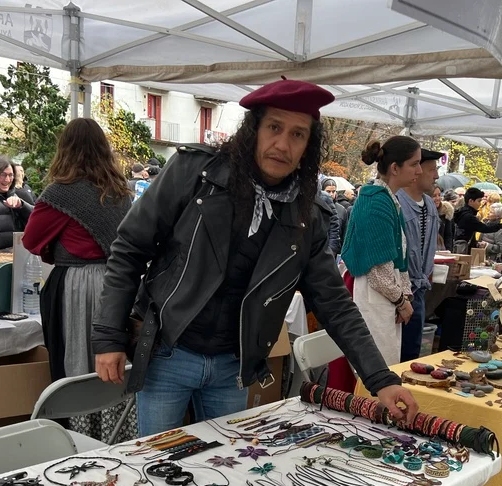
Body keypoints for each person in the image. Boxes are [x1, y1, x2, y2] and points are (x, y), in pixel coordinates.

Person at [91, 79, 417, 436]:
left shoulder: (307, 215)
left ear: (308, 146)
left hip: (233, 366)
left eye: (298, 134)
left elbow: (335, 304)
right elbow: (130, 248)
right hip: (168, 352)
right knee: (157, 460)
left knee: (222, 463)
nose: (283, 145)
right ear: (254, 130)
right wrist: (109, 336)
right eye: (274, 127)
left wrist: (381, 379)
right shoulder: (193, 173)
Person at [22, 118, 135, 442]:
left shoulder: (60, 193)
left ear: (65, 149)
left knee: (78, 360)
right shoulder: (120, 193)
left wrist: (55, 245)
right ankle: (116, 434)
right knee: (113, 362)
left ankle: (82, 437)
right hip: (117, 283)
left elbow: (31, 240)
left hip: (77, 286)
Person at [341, 136, 420, 366]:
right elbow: (377, 271)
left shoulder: (388, 198)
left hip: (383, 293)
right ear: (395, 168)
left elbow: (399, 259)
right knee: (377, 368)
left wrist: (405, 295)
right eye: (414, 164)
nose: (419, 171)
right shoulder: (375, 201)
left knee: (386, 363)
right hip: (371, 293)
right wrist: (401, 301)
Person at [397, 148, 441, 361]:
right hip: (396, 294)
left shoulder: (430, 205)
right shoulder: (395, 202)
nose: (436, 176)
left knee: (412, 353)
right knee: (393, 354)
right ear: (416, 171)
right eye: (432, 169)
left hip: (419, 292)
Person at [452, 186, 502, 254]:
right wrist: (501, 226)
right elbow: (484, 228)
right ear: (471, 201)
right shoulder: (468, 216)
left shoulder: (463, 212)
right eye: (479, 201)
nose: (480, 203)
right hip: (464, 249)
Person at [318, 177, 342, 254]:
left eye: (333, 191)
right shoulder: (317, 205)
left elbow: (338, 230)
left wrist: (332, 250)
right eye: (328, 191)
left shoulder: (342, 210)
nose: (331, 194)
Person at [435, 185, 455, 252]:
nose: (438, 198)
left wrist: (448, 251)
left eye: (439, 195)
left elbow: (448, 235)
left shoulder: (446, 211)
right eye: (434, 196)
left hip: (442, 251)